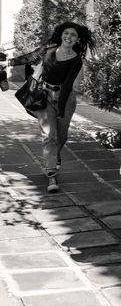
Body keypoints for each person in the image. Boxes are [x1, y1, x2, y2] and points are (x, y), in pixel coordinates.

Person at [0, 22, 95, 193]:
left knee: (62, 135)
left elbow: (67, 86)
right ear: (61, 34)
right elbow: (29, 58)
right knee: (48, 135)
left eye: (73, 35)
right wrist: (8, 63)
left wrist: (60, 107)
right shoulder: (49, 49)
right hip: (44, 95)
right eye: (66, 33)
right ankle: (51, 173)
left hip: (65, 99)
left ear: (77, 39)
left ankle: (55, 153)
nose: (69, 37)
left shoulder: (76, 60)